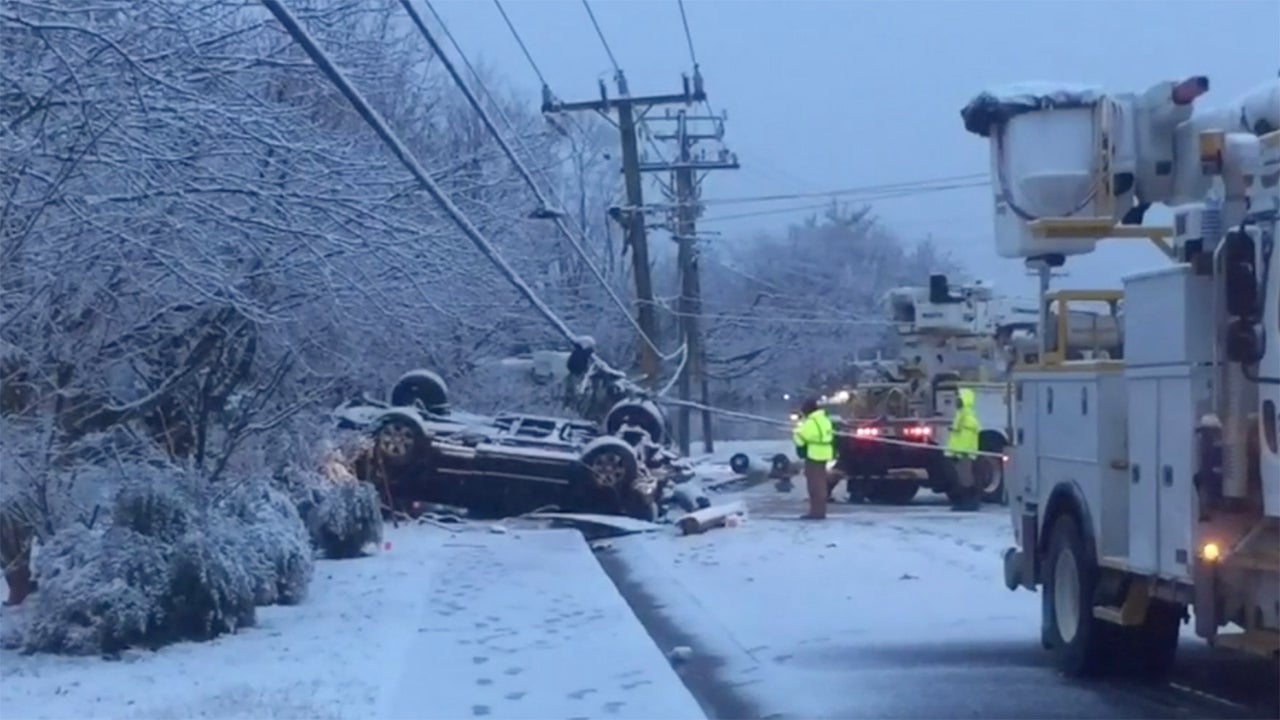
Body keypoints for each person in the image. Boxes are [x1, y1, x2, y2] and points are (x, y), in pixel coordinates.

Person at [792, 396, 835, 519]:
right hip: (824, 453)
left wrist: (796, 432)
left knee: (814, 486)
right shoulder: (825, 420)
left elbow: (801, 440)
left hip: (813, 455)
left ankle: (815, 512)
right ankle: (820, 511)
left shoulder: (810, 422)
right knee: (821, 483)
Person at [945, 387, 982, 511]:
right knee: (961, 479)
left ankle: (969, 503)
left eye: (959, 398)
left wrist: (960, 453)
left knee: (966, 479)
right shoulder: (961, 415)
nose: (956, 401)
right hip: (960, 453)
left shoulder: (967, 418)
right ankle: (963, 502)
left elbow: (966, 438)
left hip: (964, 454)